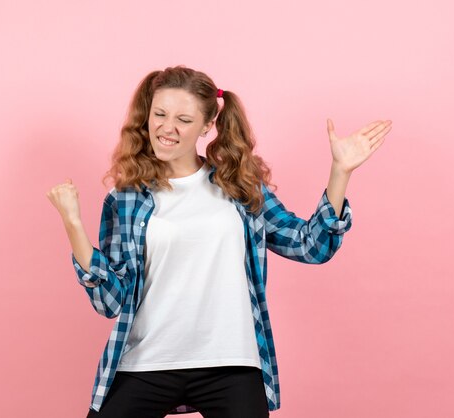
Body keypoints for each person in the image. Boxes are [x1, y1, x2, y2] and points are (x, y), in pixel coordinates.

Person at [47, 65, 392, 418]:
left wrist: (340, 172)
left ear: (207, 125)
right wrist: (74, 226)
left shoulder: (238, 186)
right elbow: (110, 302)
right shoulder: (126, 199)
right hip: (149, 359)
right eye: (160, 114)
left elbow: (311, 246)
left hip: (230, 362)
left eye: (183, 119)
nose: (168, 128)